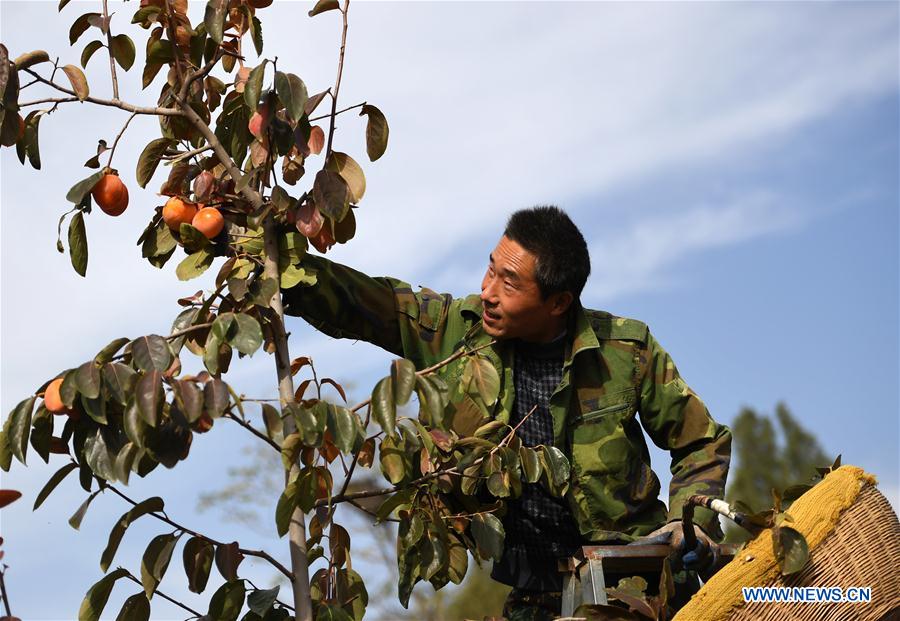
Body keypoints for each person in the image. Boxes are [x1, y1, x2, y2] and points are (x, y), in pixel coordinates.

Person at [282, 206, 731, 619]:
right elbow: (360, 299)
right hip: (534, 594)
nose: (488, 292)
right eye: (490, 270)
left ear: (558, 302)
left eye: (510, 283)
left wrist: (690, 522)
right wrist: (270, 254)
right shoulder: (455, 332)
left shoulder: (624, 351)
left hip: (635, 584)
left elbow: (701, 441)